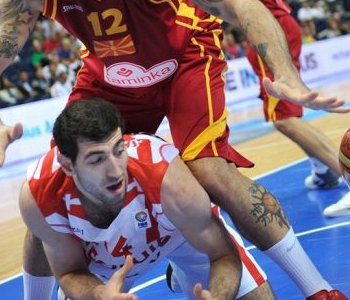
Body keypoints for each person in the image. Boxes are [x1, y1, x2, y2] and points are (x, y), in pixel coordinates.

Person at [0, 0, 348, 299]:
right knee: (51, 191)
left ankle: (320, 291)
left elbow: (242, 4)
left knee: (211, 173)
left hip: (186, 59)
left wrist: (285, 72)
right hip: (111, 72)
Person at [20, 98, 275, 300]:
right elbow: (69, 271)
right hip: (103, 266)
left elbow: (222, 254)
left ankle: (183, 270)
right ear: (67, 165)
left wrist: (218, 297)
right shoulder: (41, 195)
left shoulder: (167, 178)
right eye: (97, 159)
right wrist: (99, 294)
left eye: (119, 150)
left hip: (181, 237)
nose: (115, 170)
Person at [237, 0, 350, 218]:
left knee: (283, 119)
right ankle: (323, 171)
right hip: (278, 23)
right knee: (290, 110)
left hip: (265, 28)